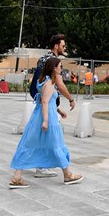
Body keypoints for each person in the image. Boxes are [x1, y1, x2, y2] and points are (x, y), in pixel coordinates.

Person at [8, 57, 83, 188]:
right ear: (53, 68)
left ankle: (17, 177)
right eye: (59, 66)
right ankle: (68, 174)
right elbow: (44, 102)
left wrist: (59, 110)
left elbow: (46, 101)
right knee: (56, 144)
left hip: (39, 117)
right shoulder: (49, 84)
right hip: (47, 118)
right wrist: (46, 121)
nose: (61, 68)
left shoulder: (44, 81)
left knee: (28, 144)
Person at [29, 34, 75, 178]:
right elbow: (59, 85)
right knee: (53, 136)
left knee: (45, 136)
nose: (64, 48)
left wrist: (56, 107)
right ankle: (59, 171)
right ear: (56, 46)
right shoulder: (53, 61)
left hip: (42, 101)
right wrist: (71, 99)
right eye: (63, 45)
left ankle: (43, 165)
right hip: (46, 103)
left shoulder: (43, 58)